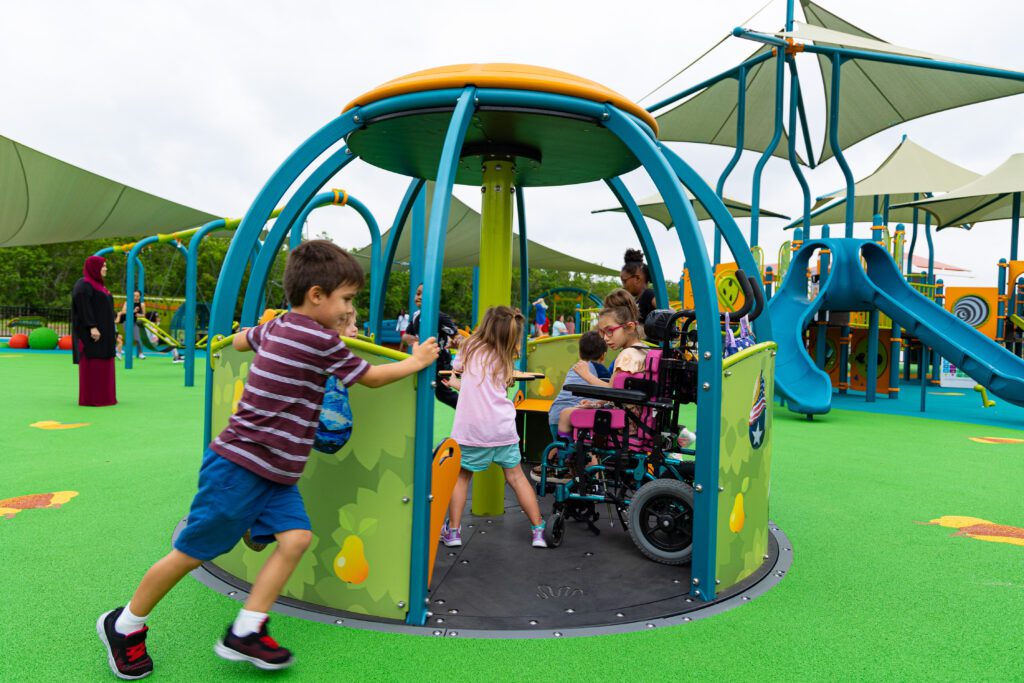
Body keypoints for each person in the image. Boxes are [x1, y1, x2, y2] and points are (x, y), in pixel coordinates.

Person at [96, 240, 439, 678]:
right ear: (317, 295)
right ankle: (124, 625)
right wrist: (418, 360)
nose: (349, 309)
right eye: (347, 300)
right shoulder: (319, 338)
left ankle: (247, 628)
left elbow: (241, 341)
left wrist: (234, 341)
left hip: (274, 473)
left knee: (295, 539)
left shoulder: (278, 326)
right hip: (241, 467)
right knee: (191, 552)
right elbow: (370, 378)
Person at [439, 306, 547, 549]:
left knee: (462, 477)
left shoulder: (469, 347)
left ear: (485, 325)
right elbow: (483, 390)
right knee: (517, 478)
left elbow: (458, 368)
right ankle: (538, 530)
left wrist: (457, 378)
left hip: (472, 432)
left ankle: (454, 531)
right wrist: (460, 384)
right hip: (502, 429)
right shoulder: (505, 354)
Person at [402, 284, 460, 409]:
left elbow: (456, 336)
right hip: (423, 360)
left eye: (425, 294)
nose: (420, 297)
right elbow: (406, 336)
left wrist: (457, 342)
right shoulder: (416, 316)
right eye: (418, 293)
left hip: (440, 364)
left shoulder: (439, 317)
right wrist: (414, 339)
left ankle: (468, 409)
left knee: (442, 393)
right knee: (421, 390)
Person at [71, 256, 117, 407]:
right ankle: (93, 398)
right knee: (93, 363)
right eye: (103, 266)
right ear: (94, 268)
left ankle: (106, 397)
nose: (106, 268)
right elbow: (83, 306)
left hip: (105, 333)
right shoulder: (83, 284)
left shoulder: (100, 286)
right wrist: (92, 326)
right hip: (92, 334)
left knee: (105, 362)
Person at [620, 248, 657, 325]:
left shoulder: (648, 294)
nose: (623, 285)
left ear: (637, 278)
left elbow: (669, 312)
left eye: (624, 281)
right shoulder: (636, 300)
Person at [116, 290, 147, 360]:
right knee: (129, 338)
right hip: (127, 321)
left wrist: (140, 315)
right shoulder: (127, 303)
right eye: (134, 296)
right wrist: (133, 311)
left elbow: (144, 315)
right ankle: (128, 354)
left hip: (135, 322)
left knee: (138, 338)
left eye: (137, 296)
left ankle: (140, 353)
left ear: (140, 297)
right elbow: (123, 312)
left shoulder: (142, 304)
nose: (135, 297)